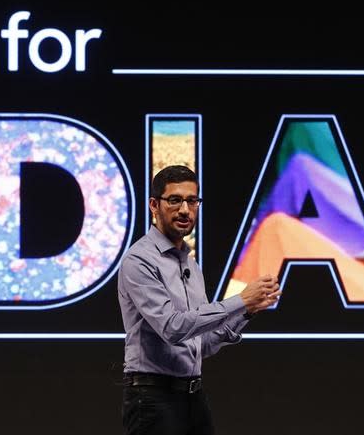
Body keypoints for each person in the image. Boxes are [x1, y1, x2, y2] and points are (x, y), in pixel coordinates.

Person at [118, 165, 280, 435]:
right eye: (175, 200)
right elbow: (173, 328)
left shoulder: (191, 266)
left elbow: (201, 344)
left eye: (192, 201)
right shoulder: (139, 260)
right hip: (153, 398)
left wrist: (247, 311)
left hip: (193, 397)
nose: (184, 210)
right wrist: (239, 300)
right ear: (153, 205)